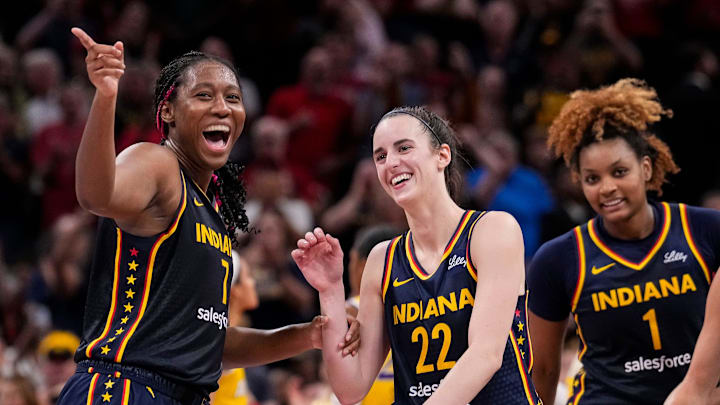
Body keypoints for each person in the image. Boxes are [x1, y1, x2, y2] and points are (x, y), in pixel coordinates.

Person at [57, 28, 358, 405]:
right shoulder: (157, 163)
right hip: (125, 388)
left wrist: (308, 335)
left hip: (182, 393)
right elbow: (96, 195)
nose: (222, 107)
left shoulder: (213, 213)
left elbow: (209, 340)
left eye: (233, 98)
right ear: (167, 111)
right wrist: (105, 96)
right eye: (204, 95)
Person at [292, 106, 540, 404]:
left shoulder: (492, 231)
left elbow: (485, 355)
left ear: (442, 156)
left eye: (404, 148)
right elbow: (351, 387)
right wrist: (330, 289)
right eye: (380, 156)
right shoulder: (381, 259)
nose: (391, 163)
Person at [527, 78, 720, 404]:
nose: (606, 188)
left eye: (619, 172)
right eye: (592, 178)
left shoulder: (702, 229)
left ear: (646, 168)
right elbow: (543, 369)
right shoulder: (558, 258)